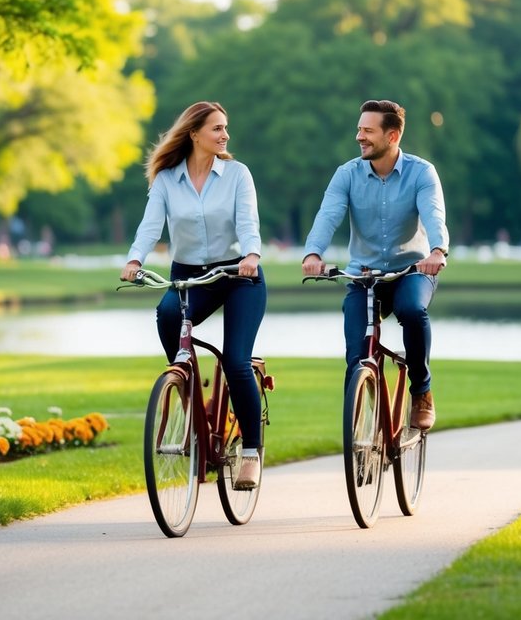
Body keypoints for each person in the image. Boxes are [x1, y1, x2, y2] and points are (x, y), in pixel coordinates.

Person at [121, 101, 267, 489]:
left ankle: (250, 452)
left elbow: (248, 221)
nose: (225, 135)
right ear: (194, 134)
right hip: (189, 276)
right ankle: (187, 392)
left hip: (238, 274)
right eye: (217, 128)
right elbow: (150, 226)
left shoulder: (237, 174)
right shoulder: (168, 179)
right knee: (167, 315)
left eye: (225, 127)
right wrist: (135, 260)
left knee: (236, 362)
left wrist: (252, 254)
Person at [301, 99, 449, 431]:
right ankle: (362, 433)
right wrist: (313, 254)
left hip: (412, 271)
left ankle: (422, 391)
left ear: (392, 136)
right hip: (365, 275)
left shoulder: (421, 172)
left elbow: (434, 214)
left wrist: (437, 251)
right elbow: (327, 216)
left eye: (368, 131)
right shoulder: (347, 175)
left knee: (411, 310)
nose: (359, 137)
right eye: (359, 129)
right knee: (356, 356)